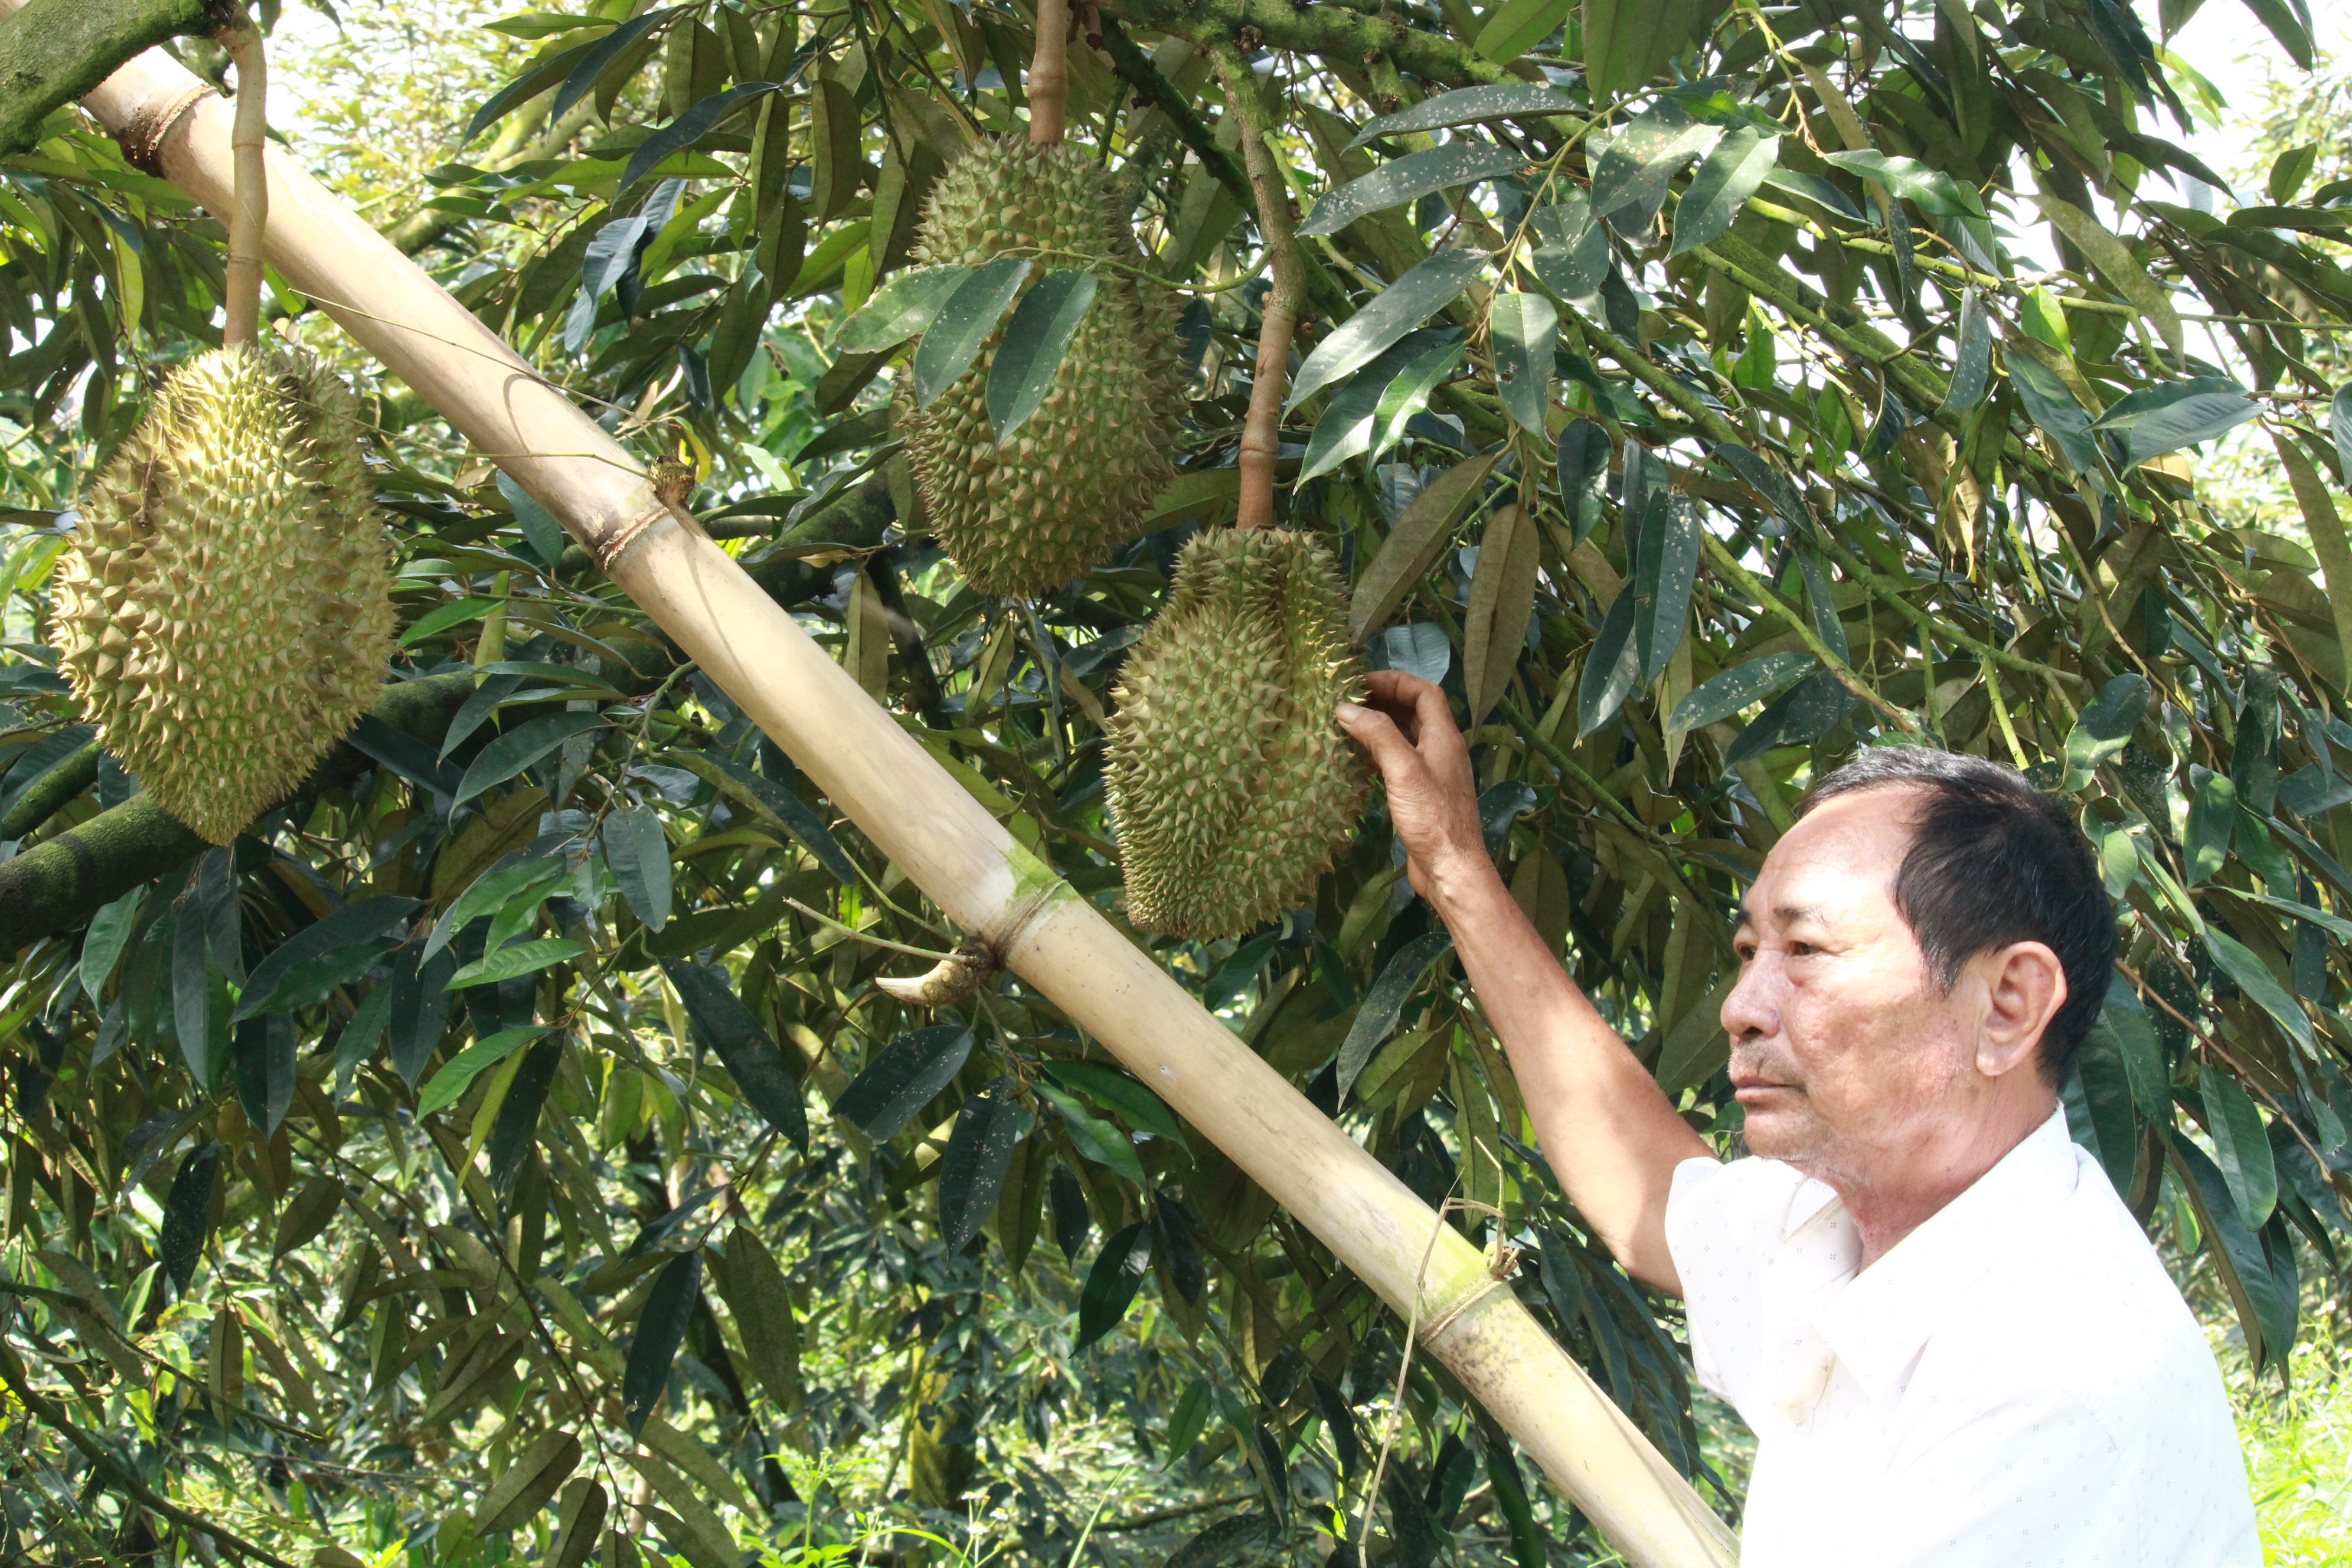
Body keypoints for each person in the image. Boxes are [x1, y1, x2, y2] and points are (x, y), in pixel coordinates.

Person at [1335, 669, 2260, 1568]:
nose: (1741, 1003)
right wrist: (1454, 866)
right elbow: (1656, 1201)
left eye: (1808, 948)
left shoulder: (2049, 1384)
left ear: (2009, 1006)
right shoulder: (1860, 1230)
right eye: (1749, 948)